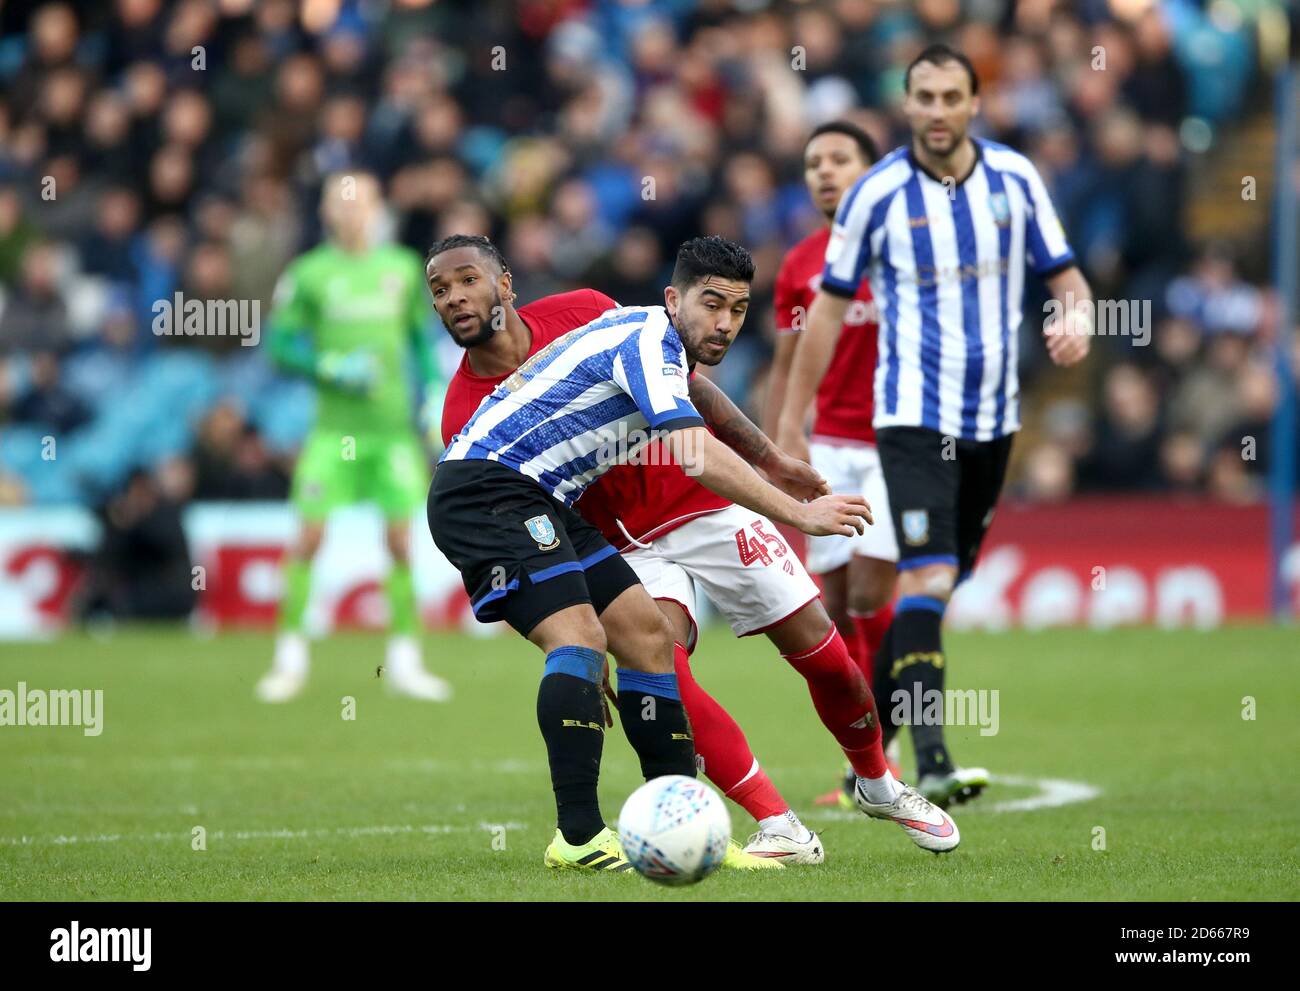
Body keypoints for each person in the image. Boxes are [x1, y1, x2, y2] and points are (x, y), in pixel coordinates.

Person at [430, 234, 960, 869]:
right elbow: (688, 449)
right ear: (674, 299)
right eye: (441, 289)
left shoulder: (594, 313)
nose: (726, 323)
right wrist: (799, 514)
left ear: (507, 284)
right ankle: (763, 822)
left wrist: (772, 461)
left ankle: (877, 783)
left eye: (737, 311)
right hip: (595, 528)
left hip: (697, 505)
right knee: (639, 655)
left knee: (821, 654)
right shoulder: (471, 408)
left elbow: (695, 401)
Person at [777, 44, 1093, 807]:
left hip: (992, 418)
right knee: (919, 577)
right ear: (908, 104)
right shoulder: (876, 194)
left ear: (975, 102)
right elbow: (820, 313)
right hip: (909, 417)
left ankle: (867, 762)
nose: (940, 110)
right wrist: (790, 423)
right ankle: (933, 762)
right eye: (926, 96)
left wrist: (1076, 314)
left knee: (939, 583)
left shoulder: (1017, 179)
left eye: (954, 96)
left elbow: (1065, 274)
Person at [255, 171, 450, 703]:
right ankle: (289, 656)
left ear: (376, 207)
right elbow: (277, 343)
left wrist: (434, 392)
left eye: (360, 202)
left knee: (401, 542)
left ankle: (406, 658)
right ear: (326, 213)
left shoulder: (403, 269)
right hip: (332, 433)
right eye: (341, 204)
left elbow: (418, 336)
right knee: (309, 538)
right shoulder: (309, 273)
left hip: (391, 436)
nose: (351, 213)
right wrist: (329, 366)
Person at [763, 120, 904, 807]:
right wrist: (778, 442)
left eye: (839, 159)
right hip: (834, 448)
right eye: (813, 161)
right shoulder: (799, 265)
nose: (823, 171)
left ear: (872, 171)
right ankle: (872, 760)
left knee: (875, 594)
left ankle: (895, 753)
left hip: (903, 445)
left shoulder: (903, 247)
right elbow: (787, 362)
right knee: (840, 605)